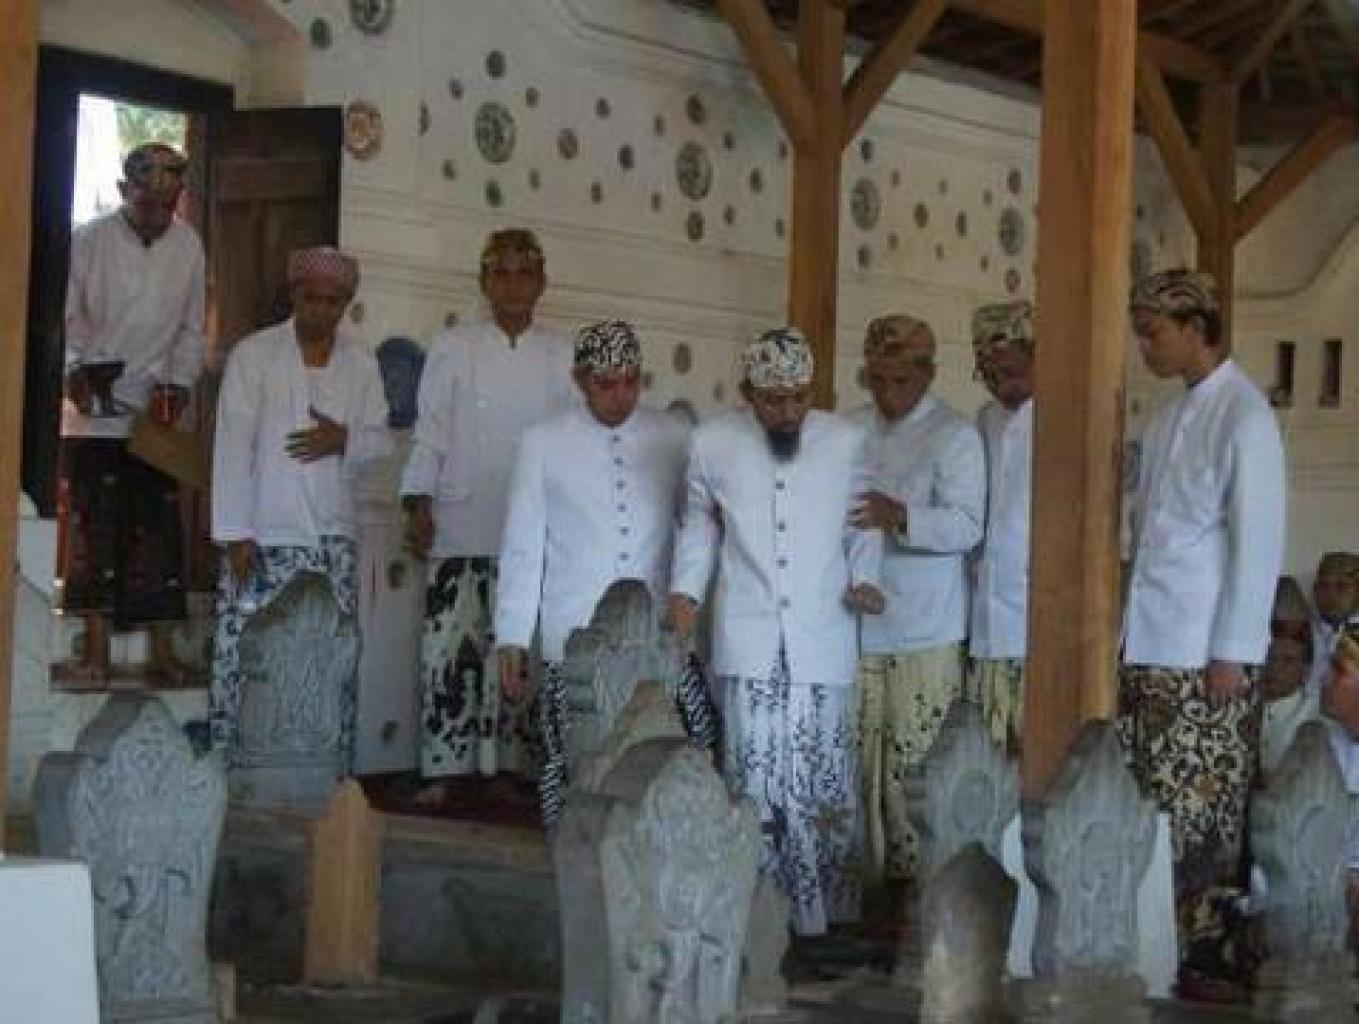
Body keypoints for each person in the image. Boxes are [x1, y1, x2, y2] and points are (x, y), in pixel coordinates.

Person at [666, 327, 884, 936]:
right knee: (755, 779)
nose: (788, 411)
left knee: (821, 778)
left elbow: (864, 523)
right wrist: (685, 593)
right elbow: (698, 526)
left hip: (822, 631)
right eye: (773, 400)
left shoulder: (846, 441)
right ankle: (759, 915)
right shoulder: (712, 443)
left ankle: (827, 920)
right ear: (747, 393)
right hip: (750, 635)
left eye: (798, 398)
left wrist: (866, 577)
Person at [1120, 269, 1285, 1001]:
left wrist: (1233, 653)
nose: (1145, 348)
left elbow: (1257, 542)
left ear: (1195, 329)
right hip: (1149, 646)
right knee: (1153, 807)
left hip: (1205, 654)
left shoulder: (1245, 416)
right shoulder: (1166, 418)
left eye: (1153, 333)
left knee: (1204, 813)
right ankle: (1156, 949)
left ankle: (1207, 954)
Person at [494, 320, 714, 825]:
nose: (621, 395)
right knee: (573, 759)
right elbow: (523, 542)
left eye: (632, 381)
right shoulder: (542, 441)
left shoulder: (673, 435)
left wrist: (687, 596)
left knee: (680, 748)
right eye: (606, 384)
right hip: (573, 631)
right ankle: (571, 853)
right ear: (579, 380)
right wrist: (512, 635)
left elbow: (697, 525)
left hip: (657, 631)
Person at [400, 228, 575, 790]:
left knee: (520, 654)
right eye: (501, 272)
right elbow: (430, 432)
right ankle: (446, 771)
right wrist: (418, 503)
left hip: (534, 532)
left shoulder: (563, 354)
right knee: (452, 652)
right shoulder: (453, 345)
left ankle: (516, 772)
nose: (513, 285)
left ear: (542, 282)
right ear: (484, 281)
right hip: (460, 523)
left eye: (525, 273)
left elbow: (573, 444)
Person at [209, 247, 391, 761]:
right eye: (312, 298)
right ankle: (232, 766)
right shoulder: (254, 355)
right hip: (264, 537)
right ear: (294, 296)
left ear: (346, 304)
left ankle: (328, 771)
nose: (321, 310)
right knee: (246, 652)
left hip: (333, 540)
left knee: (330, 654)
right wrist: (235, 534)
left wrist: (344, 439)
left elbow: (382, 442)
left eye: (333, 301)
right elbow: (233, 445)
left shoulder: (361, 363)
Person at [55, 142, 205, 685]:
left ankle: (163, 654)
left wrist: (178, 385)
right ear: (124, 190)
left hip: (153, 414)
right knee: (95, 527)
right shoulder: (89, 241)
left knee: (159, 528)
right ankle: (95, 656)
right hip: (95, 410)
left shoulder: (189, 246)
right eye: (147, 203)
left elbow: (191, 329)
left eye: (169, 205)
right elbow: (64, 322)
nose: (159, 216)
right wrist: (76, 371)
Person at [846, 315, 985, 900]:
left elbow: (968, 525)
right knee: (859, 760)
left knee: (915, 761)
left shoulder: (954, 435)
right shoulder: (851, 428)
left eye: (901, 380)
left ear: (928, 374)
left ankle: (918, 896)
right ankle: (864, 889)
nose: (888, 393)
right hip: (857, 625)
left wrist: (900, 516)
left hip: (926, 630)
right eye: (877, 379)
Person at [965, 300, 1035, 752]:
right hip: (988, 610)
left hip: (1038, 615)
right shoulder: (986, 420)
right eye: (988, 376)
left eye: (1010, 372)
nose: (1000, 385)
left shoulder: (1067, 417)